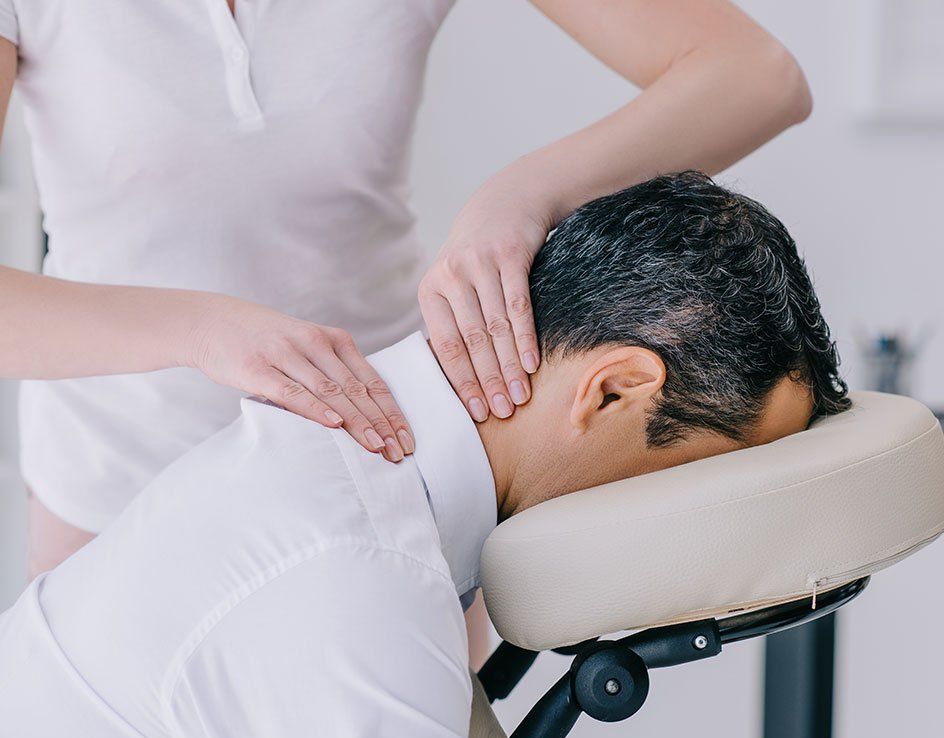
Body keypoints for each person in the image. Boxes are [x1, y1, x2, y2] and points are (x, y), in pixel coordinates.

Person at [0, 173, 849, 738]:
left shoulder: (353, 484)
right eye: (710, 473)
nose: (692, 509)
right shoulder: (358, 574)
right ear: (615, 389)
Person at [0, 1, 815, 580]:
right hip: (118, 499)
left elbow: (757, 77)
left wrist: (525, 194)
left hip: (391, 485)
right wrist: (203, 332)